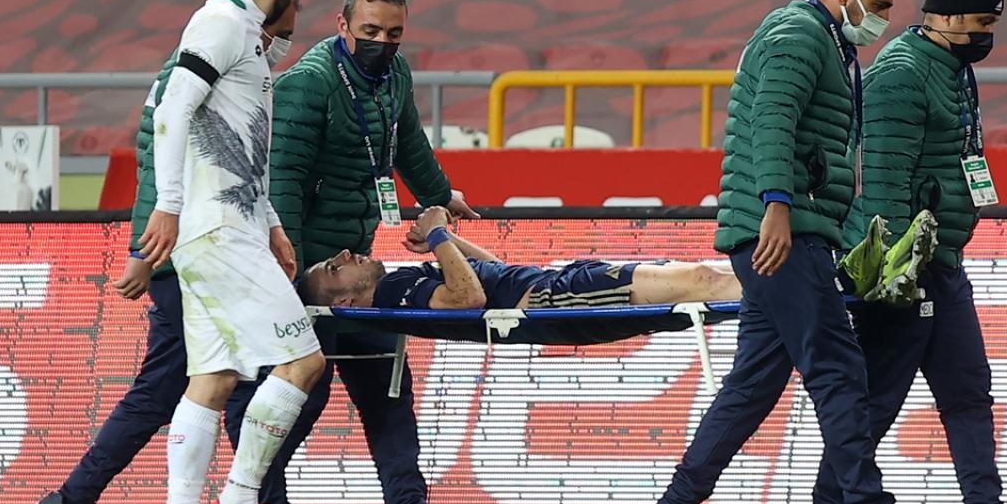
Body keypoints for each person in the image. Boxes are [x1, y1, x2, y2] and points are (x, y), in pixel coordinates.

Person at [633, 0, 959, 504]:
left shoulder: (825, 40)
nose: (882, 19)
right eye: (878, 5)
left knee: (753, 384)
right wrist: (777, 205)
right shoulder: (799, 35)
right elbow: (772, 121)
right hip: (783, 232)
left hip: (792, 228)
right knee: (839, 369)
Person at [27, 0, 326, 504]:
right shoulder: (214, 48)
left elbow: (224, 156)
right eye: (290, 15)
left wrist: (267, 220)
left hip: (191, 236)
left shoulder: (217, 60)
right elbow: (161, 152)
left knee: (209, 378)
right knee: (287, 364)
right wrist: (146, 248)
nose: (287, 31)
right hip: (197, 239)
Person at [797, 0, 1007, 504]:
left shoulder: (952, 68)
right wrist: (897, 268)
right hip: (907, 268)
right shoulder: (900, 73)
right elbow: (883, 178)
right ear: (943, 17)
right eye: (979, 22)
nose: (986, 35)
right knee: (877, 398)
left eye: (993, 23)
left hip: (941, 258)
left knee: (968, 389)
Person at [223, 0, 487, 504]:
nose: (381, 43)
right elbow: (283, 184)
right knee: (299, 393)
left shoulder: (394, 75)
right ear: (342, 25)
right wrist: (288, 277)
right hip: (307, 271)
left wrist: (440, 195)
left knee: (387, 383)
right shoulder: (309, 85)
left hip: (354, 265)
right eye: (369, 31)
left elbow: (408, 142)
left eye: (393, 33)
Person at [137, 0, 324, 504]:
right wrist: (168, 205)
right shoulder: (220, 22)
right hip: (216, 228)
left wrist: (269, 221)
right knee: (303, 361)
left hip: (230, 224)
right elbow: (172, 107)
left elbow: (241, 144)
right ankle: (239, 503)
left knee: (212, 378)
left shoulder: (242, 31)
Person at [297, 207, 743, 310]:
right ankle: (774, 292)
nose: (344, 255)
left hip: (555, 282)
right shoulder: (395, 292)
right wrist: (435, 236)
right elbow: (469, 298)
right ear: (344, 302)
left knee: (700, 275)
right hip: (554, 295)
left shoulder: (401, 285)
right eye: (334, 268)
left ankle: (770, 287)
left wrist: (446, 240)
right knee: (699, 282)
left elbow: (491, 270)